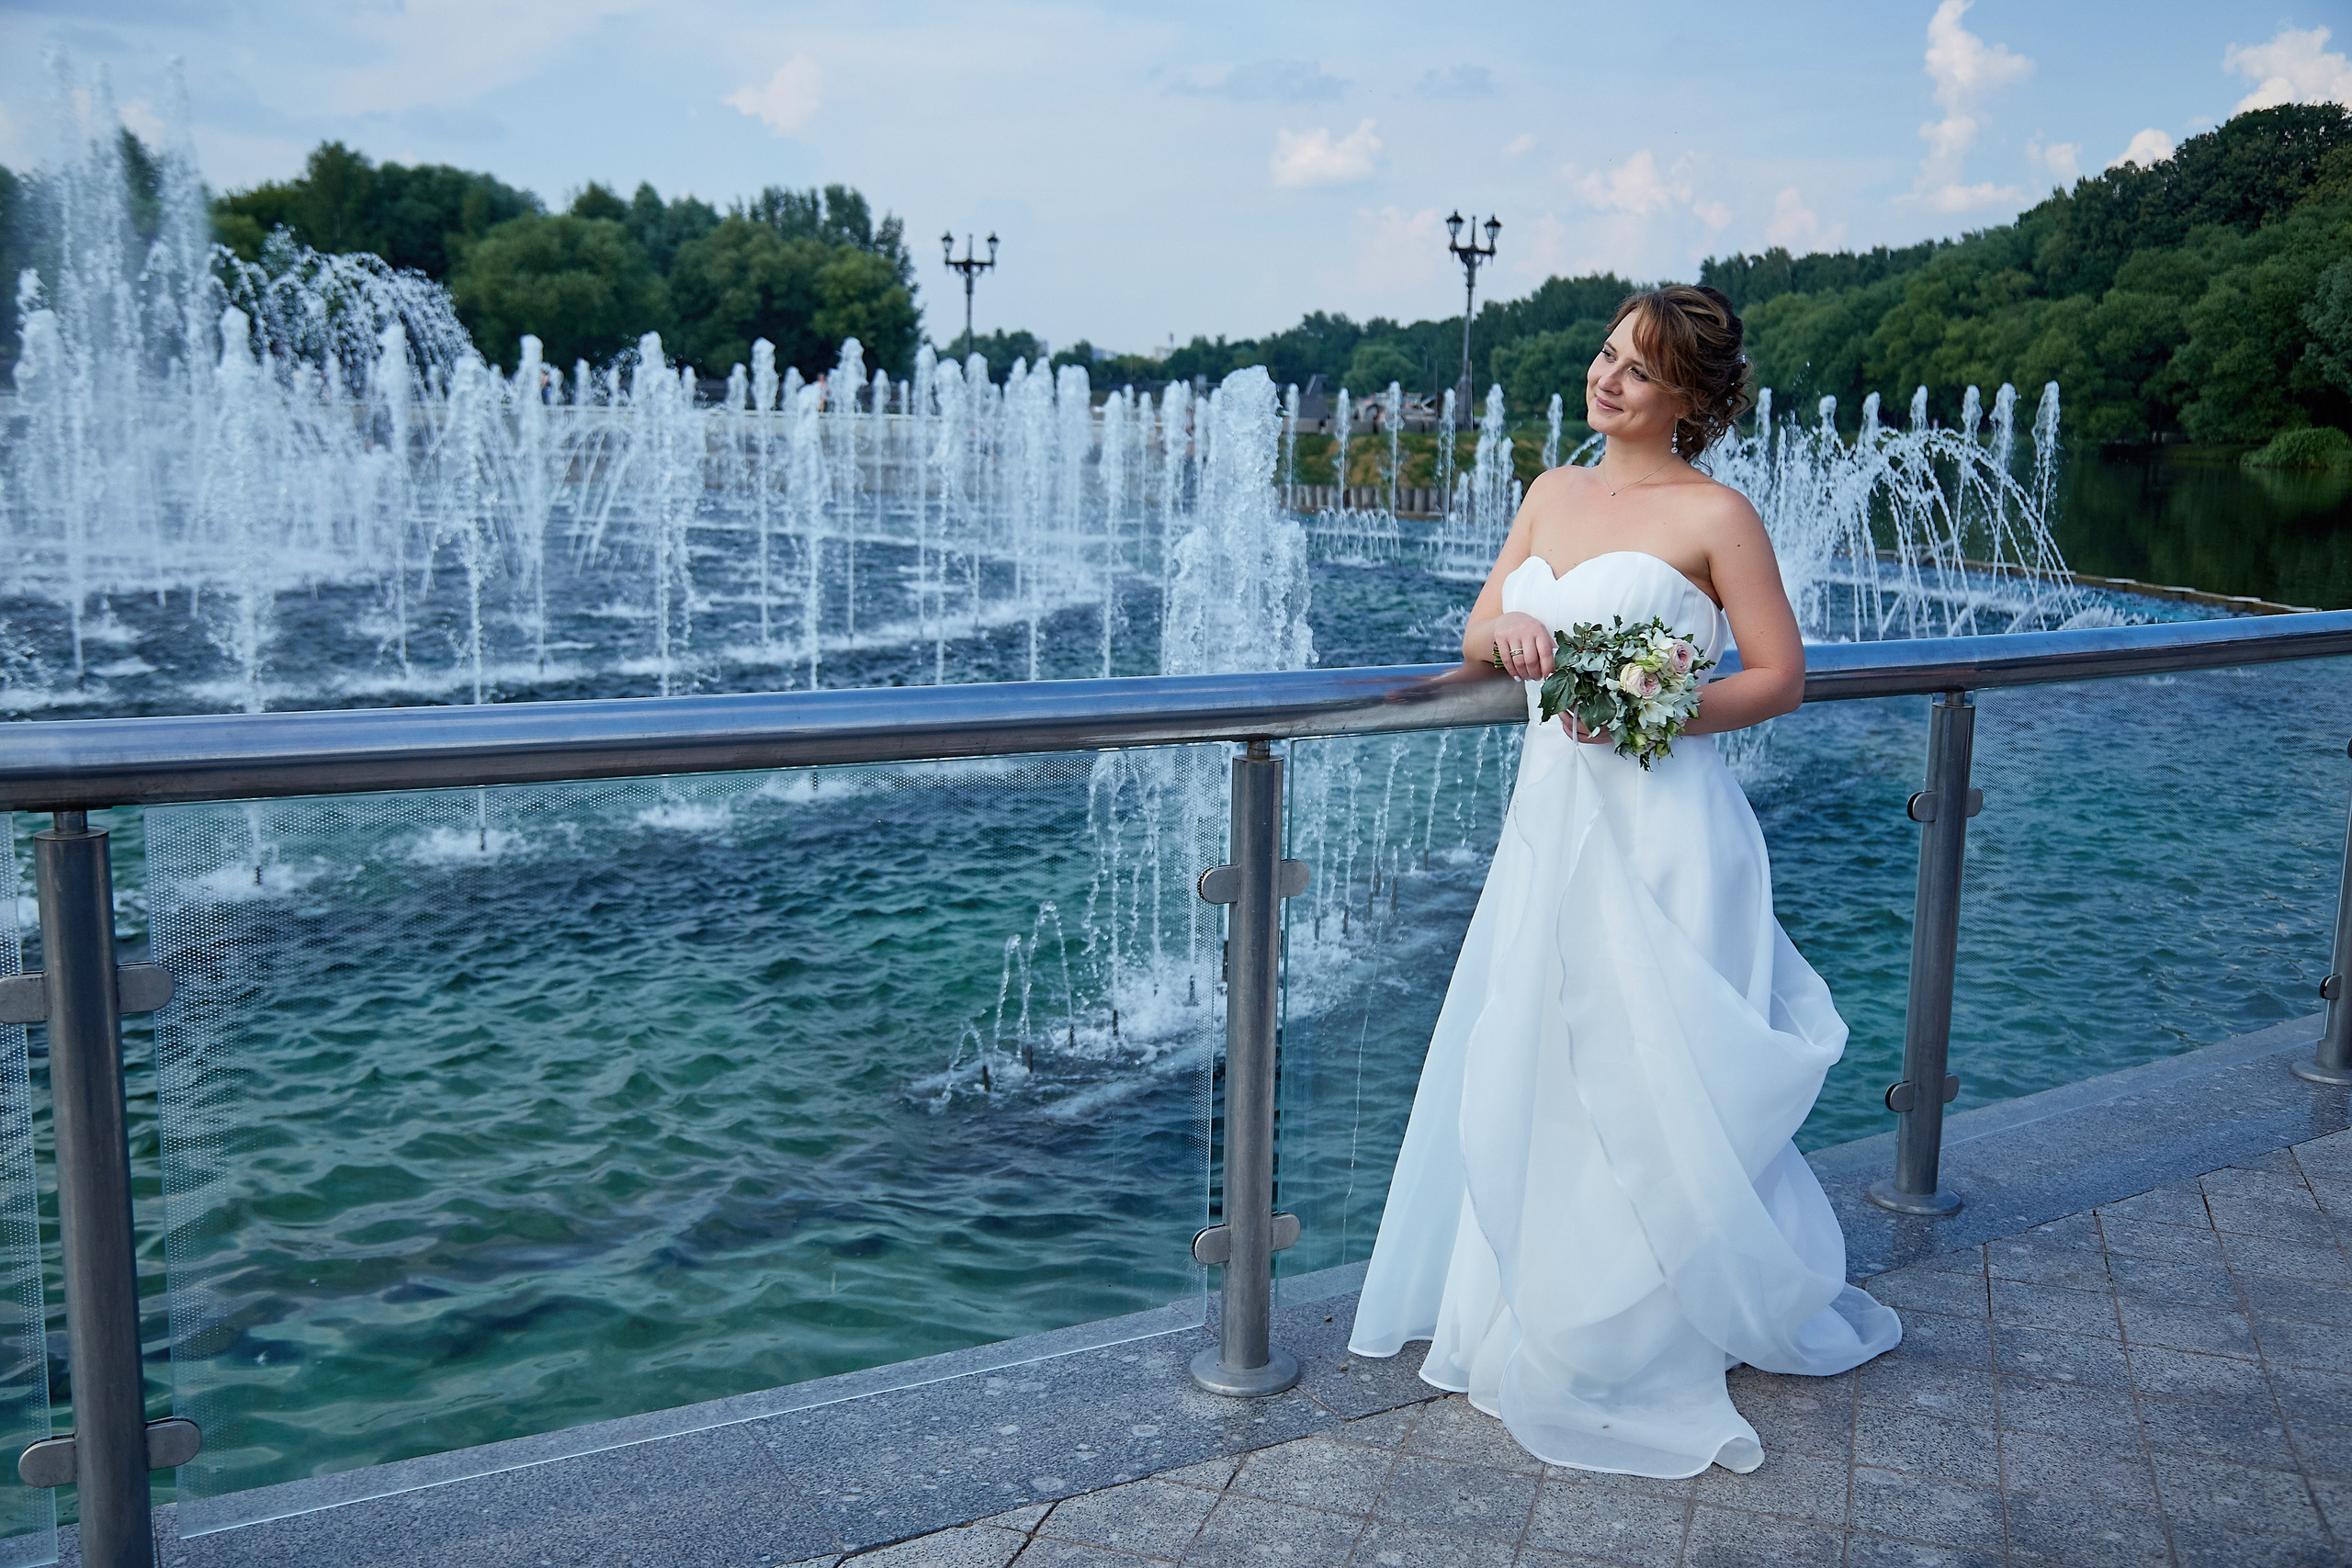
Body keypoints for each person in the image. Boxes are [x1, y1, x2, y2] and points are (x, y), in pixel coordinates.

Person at [1347, 285, 1900, 1478]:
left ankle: (1660, 1315)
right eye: (1607, 357)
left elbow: (1782, 677)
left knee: (1660, 1072)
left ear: (1691, 398)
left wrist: (1663, 703)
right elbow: (1481, 627)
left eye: (1641, 370)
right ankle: (1541, 1299)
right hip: (1551, 823)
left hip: (1665, 826)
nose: (1609, 380)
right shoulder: (1551, 490)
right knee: (1541, 1055)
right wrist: (1518, 642)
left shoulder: (1718, 514)